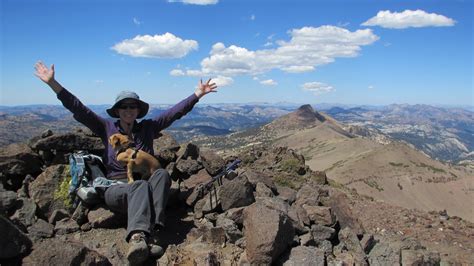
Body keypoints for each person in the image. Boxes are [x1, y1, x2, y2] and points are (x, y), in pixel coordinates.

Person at [34, 61, 217, 264]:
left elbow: (173, 113)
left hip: (144, 187)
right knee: (138, 185)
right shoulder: (105, 128)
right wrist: (53, 84)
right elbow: (79, 109)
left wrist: (197, 94)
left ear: (138, 110)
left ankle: (155, 226)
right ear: (117, 110)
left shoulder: (148, 128)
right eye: (124, 106)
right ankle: (138, 238)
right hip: (116, 188)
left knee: (162, 174)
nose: (128, 110)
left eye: (133, 106)